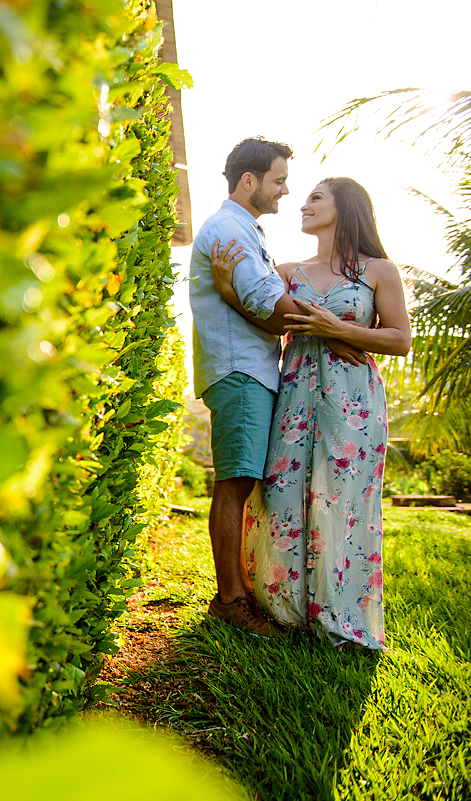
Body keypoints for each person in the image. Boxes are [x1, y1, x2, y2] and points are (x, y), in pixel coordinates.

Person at [211, 177, 411, 650]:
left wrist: (333, 327)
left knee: (341, 501)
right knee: (281, 497)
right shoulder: (286, 270)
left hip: (353, 402)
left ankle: (341, 612)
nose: (303, 203)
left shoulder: (380, 270)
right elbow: (267, 319)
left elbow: (400, 339)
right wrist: (227, 290)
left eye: (316, 197)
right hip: (295, 396)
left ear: (347, 206)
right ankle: (283, 609)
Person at [188, 137, 301, 638]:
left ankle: (238, 590)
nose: (285, 189)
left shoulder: (243, 228)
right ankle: (230, 599)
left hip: (249, 368)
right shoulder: (230, 228)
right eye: (278, 179)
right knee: (234, 481)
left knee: (243, 479)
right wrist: (321, 320)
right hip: (240, 370)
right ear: (249, 180)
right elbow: (270, 306)